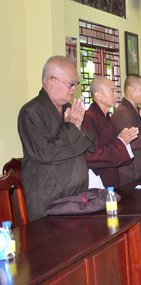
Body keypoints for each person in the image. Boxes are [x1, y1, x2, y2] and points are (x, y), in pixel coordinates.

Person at [18, 56, 95, 221]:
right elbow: (45, 153)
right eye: (70, 84)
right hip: (48, 198)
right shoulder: (31, 111)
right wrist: (72, 128)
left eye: (76, 84)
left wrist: (77, 129)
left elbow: (89, 144)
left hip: (75, 195)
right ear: (50, 81)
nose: (74, 89)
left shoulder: (69, 109)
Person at [82, 77, 138, 188]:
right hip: (97, 181)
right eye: (112, 91)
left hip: (111, 178)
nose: (117, 95)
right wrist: (120, 142)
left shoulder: (109, 118)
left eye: (116, 91)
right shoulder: (88, 118)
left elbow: (113, 146)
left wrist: (123, 142)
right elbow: (90, 155)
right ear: (98, 95)